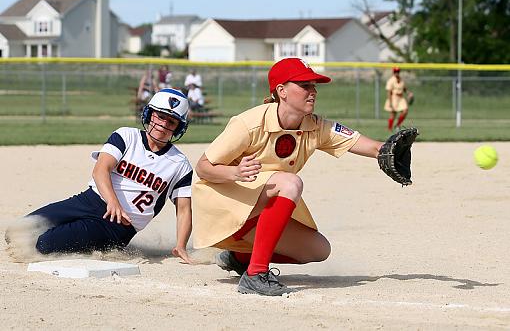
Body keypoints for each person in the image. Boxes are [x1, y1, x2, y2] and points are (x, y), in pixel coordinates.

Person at [192, 58, 388, 296]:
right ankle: (256, 274)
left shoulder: (315, 126)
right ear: (281, 91)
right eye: (304, 85)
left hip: (255, 209)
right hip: (222, 204)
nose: (313, 91)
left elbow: (364, 144)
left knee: (318, 250)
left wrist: (387, 151)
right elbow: (203, 167)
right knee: (290, 182)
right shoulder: (249, 123)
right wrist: (234, 172)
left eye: (313, 85)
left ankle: (239, 257)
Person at [6, 88, 194, 263]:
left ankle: (90, 243)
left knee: (43, 245)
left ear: (178, 128)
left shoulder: (179, 164)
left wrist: (181, 245)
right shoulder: (126, 136)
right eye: (160, 116)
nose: (163, 124)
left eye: (171, 122)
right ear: (150, 114)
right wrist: (113, 201)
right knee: (17, 232)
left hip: (117, 226)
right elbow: (100, 170)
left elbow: (184, 209)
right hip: (87, 201)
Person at [384, 67, 413, 131]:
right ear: (393, 72)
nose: (397, 73)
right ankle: (389, 128)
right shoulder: (391, 80)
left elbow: (404, 88)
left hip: (401, 98)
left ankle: (397, 125)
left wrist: (409, 93)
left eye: (398, 71)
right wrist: (390, 102)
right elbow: (389, 92)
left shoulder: (401, 80)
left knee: (405, 111)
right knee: (393, 114)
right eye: (395, 72)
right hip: (394, 97)